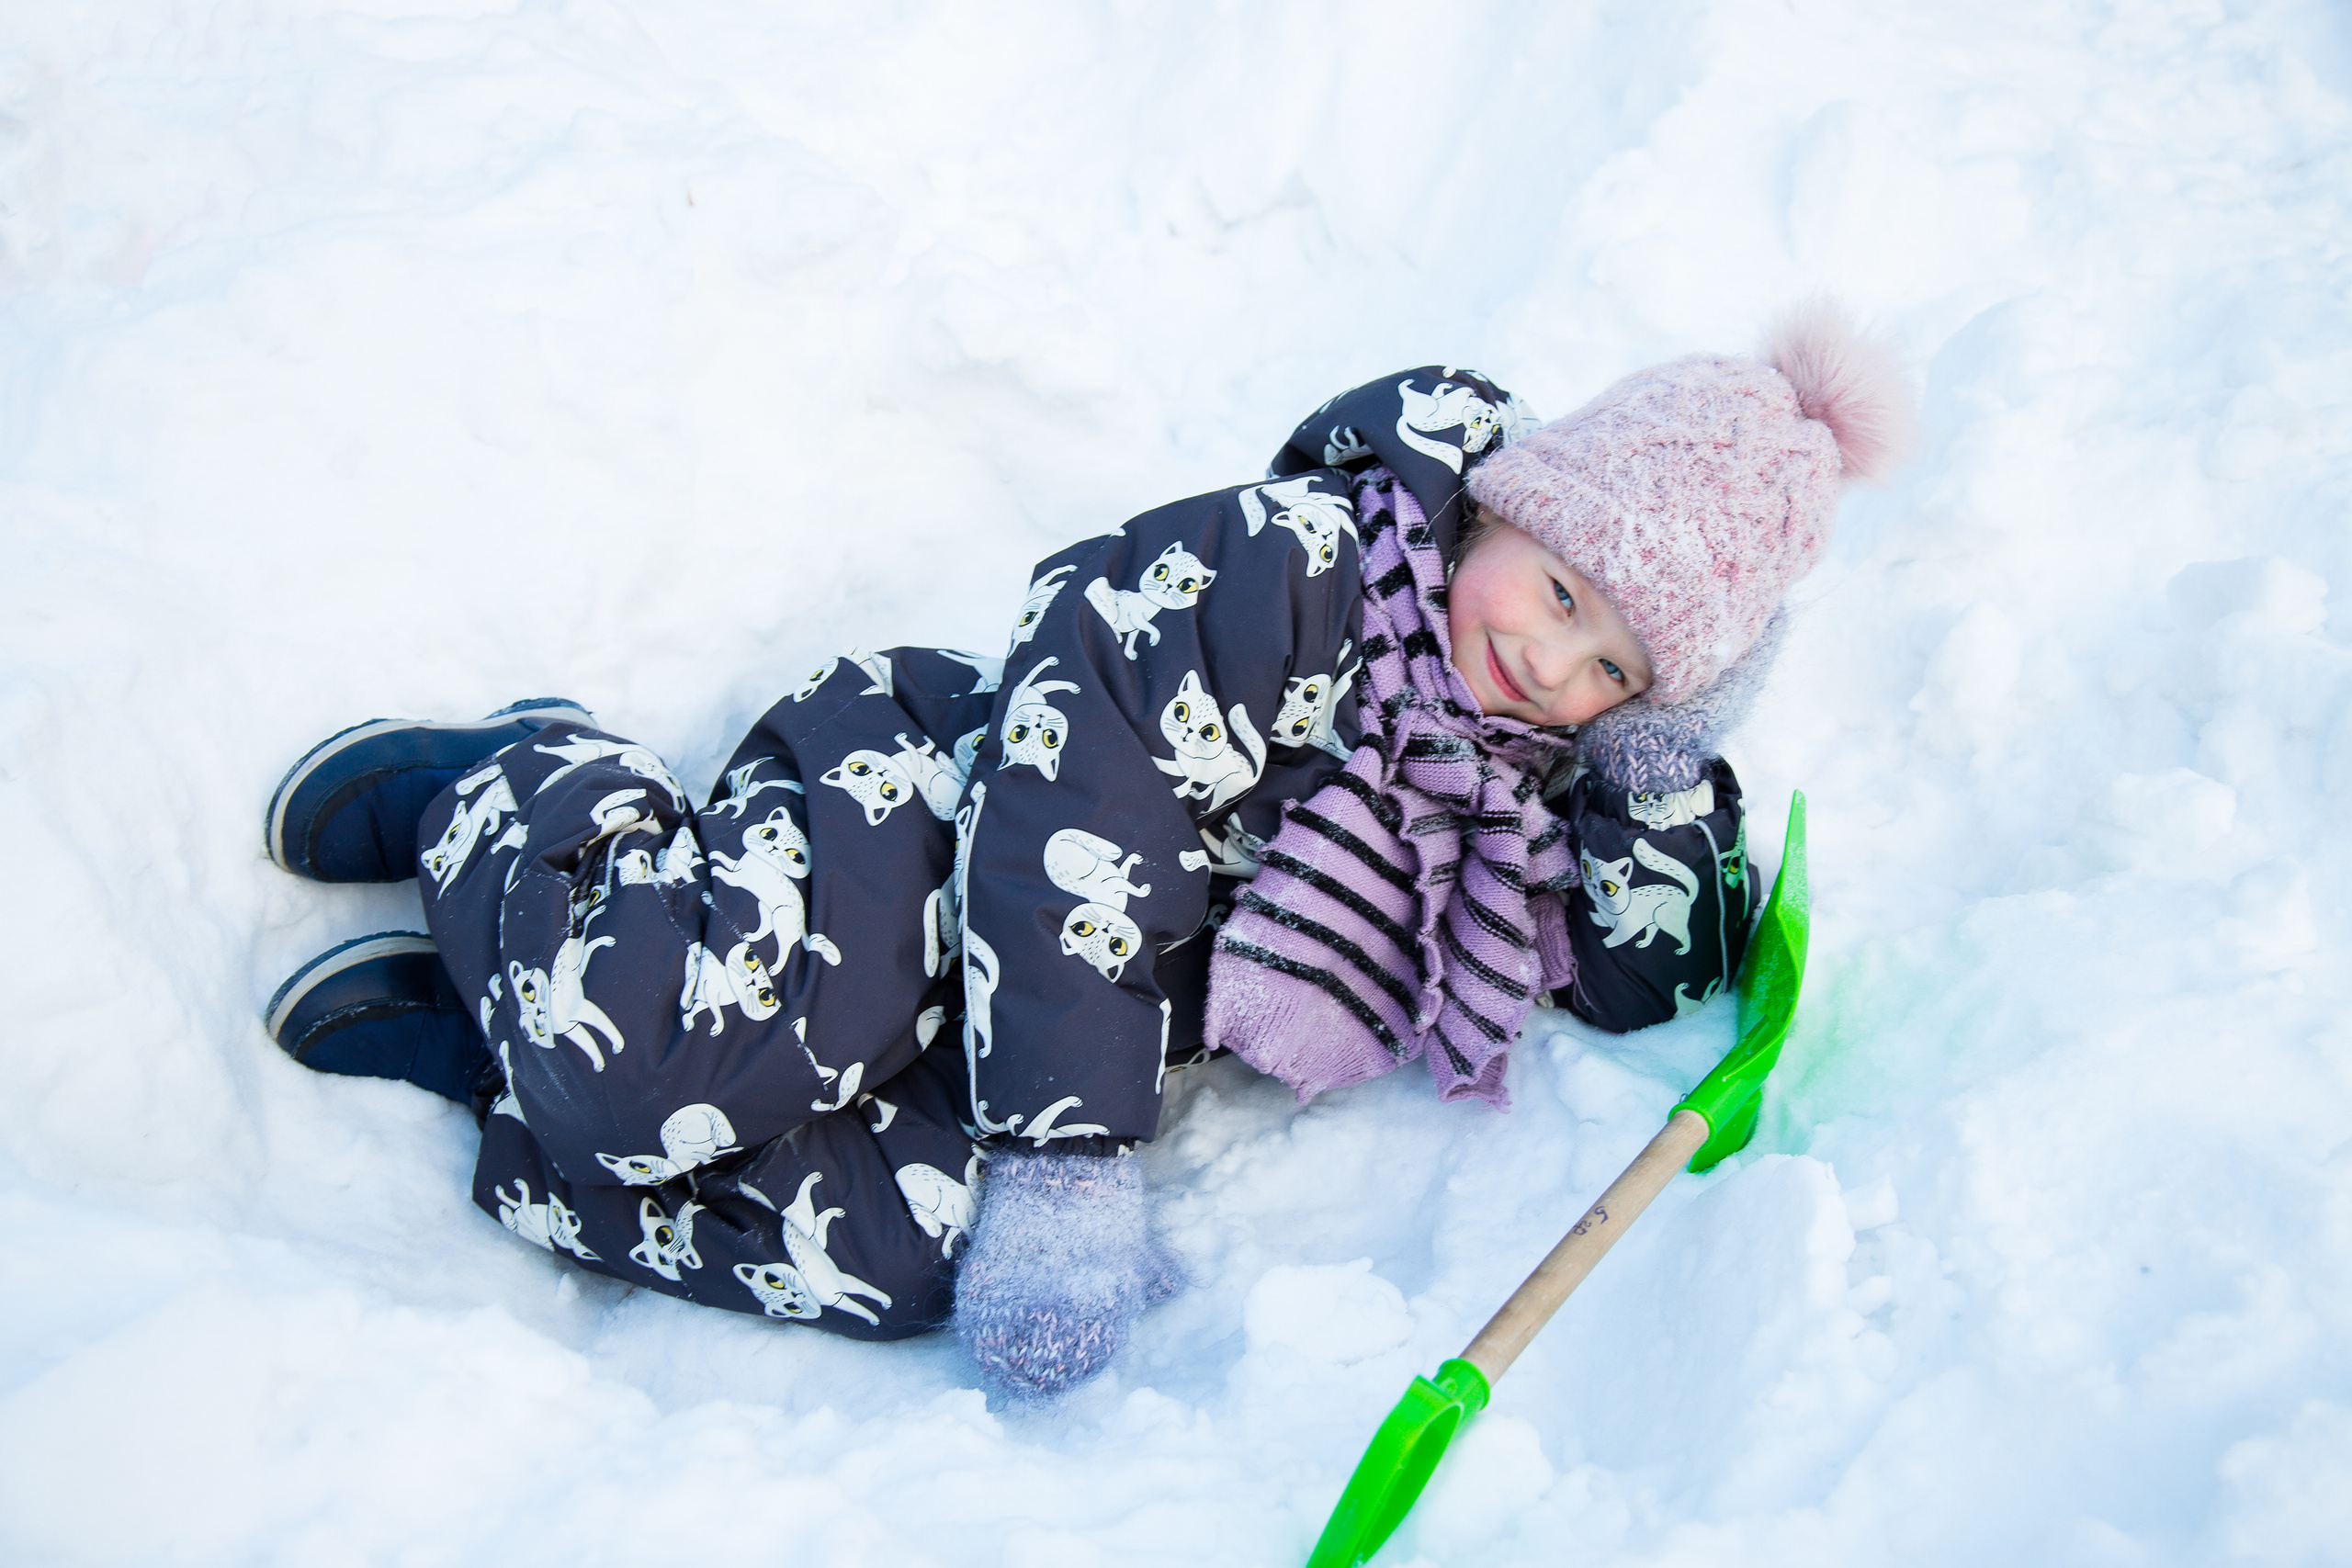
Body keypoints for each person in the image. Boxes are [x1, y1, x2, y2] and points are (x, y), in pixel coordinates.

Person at [260, 304, 1911, 1401]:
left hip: (1061, 1036)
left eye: (1616, 666)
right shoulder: (1311, 569)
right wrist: (1067, 1150)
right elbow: (1085, 784)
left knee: (906, 1250)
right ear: (1511, 510)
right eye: (1558, 596)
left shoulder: (1517, 775)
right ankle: (513, 794)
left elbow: (1639, 979)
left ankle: (506, 1057)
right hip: (926, 835)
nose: (1552, 669)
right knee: (656, 1057)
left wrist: (1653, 775)